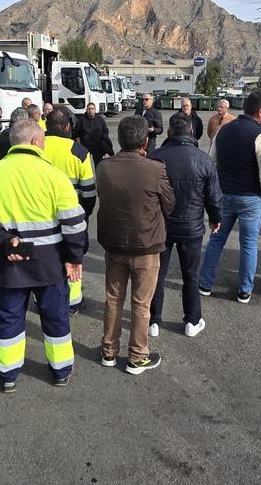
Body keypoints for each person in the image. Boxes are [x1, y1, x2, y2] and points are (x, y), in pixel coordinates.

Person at [0, 118, 87, 393]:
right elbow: (74, 223)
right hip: (51, 263)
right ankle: (60, 371)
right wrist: (74, 258)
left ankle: (8, 375)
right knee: (56, 318)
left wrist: (4, 240)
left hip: (9, 263)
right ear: (34, 141)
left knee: (9, 318)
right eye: (42, 139)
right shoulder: (54, 175)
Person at [95, 116, 175, 373]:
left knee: (113, 299)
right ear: (145, 142)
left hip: (114, 244)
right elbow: (170, 204)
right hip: (146, 245)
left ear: (120, 139)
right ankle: (138, 355)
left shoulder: (104, 167)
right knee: (141, 304)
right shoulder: (155, 169)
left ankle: (109, 350)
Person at [198, 92, 261, 303]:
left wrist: (212, 193)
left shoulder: (223, 130)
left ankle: (205, 284)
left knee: (216, 240)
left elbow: (210, 162)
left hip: (224, 195)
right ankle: (244, 290)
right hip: (250, 198)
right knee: (248, 244)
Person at [149, 116, 220, 338]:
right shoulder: (204, 160)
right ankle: (192, 320)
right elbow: (214, 197)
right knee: (191, 275)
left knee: (157, 273)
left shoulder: (155, 157)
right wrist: (215, 218)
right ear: (190, 131)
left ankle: (153, 321)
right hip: (192, 227)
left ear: (169, 132)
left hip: (161, 226)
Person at [44, 108, 97, 314]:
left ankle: (44, 300)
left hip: (41, 216)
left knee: (47, 258)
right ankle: (73, 302)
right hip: (73, 217)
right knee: (74, 257)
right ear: (68, 127)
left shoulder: (37, 146)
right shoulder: (80, 152)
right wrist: (84, 216)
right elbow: (89, 193)